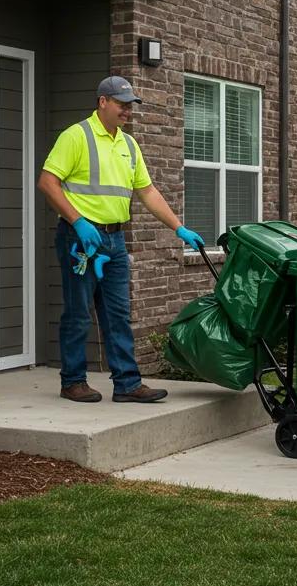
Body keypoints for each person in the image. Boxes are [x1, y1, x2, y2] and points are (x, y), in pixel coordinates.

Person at [37, 76, 204, 403]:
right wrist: (78, 221)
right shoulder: (77, 136)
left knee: (118, 312)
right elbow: (47, 183)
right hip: (80, 238)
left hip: (114, 240)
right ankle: (72, 381)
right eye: (122, 104)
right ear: (102, 102)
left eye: (131, 105)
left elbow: (147, 191)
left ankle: (127, 384)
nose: (128, 111)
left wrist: (178, 227)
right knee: (79, 311)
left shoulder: (128, 144)